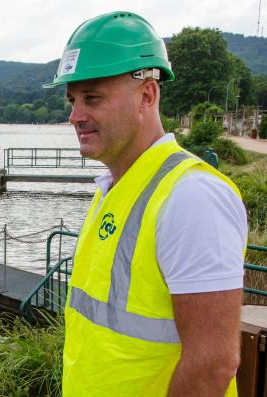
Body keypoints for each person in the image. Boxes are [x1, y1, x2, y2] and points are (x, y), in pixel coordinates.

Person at [43, 11, 248, 396]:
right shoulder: (115, 188)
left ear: (147, 95)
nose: (75, 116)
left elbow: (213, 364)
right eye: (72, 100)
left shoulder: (191, 197)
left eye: (93, 98)